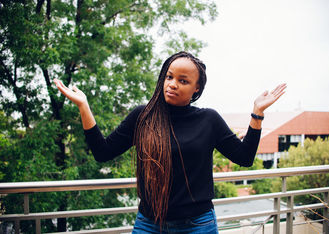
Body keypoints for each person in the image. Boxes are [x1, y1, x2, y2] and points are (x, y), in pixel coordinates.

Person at [54, 51, 286, 233]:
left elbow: (244, 158)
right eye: (169, 77)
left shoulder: (209, 119)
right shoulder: (142, 117)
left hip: (198, 225)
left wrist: (257, 113)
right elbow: (102, 152)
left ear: (196, 89)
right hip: (150, 223)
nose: (172, 84)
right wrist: (84, 106)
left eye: (182, 81)